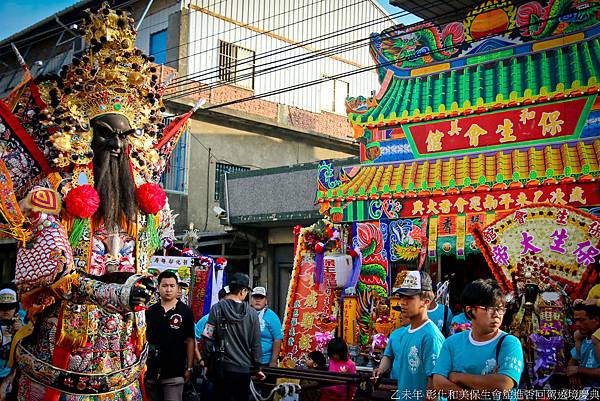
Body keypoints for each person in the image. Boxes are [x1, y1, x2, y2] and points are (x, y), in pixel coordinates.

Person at [433, 279, 524, 399]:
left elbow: (503, 384)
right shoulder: (452, 343)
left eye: (500, 309)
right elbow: (438, 383)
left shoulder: (509, 343)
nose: (497, 314)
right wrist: (472, 394)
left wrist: (457, 377)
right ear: (469, 310)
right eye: (489, 308)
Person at [372, 270, 443, 401]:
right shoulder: (405, 333)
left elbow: (434, 386)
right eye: (401, 297)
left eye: (409, 297)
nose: (402, 302)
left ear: (426, 301)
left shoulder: (431, 337)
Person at [202, 272, 263, 401]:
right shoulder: (252, 314)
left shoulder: (216, 308)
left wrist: (207, 363)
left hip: (222, 369)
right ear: (242, 291)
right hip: (244, 370)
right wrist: (257, 367)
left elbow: (208, 338)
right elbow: (256, 343)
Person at [145, 271, 196, 401]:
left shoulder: (185, 311)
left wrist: (189, 368)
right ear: (158, 287)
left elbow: (190, 340)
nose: (168, 289)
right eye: (165, 285)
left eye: (172, 286)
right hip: (150, 371)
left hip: (175, 372)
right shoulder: (150, 311)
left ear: (177, 288)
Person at [567, 303, 600, 389]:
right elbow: (573, 360)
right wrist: (572, 372)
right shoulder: (583, 339)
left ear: (596, 320)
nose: (577, 324)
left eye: (581, 320)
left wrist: (578, 370)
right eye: (576, 321)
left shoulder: (597, 340)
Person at [250, 286, 284, 367]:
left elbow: (277, 339)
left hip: (265, 361)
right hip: (247, 360)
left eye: (261, 298)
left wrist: (273, 361)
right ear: (251, 299)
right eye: (255, 297)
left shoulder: (271, 316)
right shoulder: (245, 313)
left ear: (265, 300)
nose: (258, 300)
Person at [0, 288, 23, 399]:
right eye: (2, 308)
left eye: (10, 308)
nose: (6, 311)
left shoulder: (21, 324)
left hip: (11, 374)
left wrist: (21, 332)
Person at [377, 307, 410, 380]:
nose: (399, 316)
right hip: (394, 382)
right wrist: (380, 370)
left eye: (403, 312)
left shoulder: (425, 334)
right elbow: (388, 356)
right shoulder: (395, 334)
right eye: (400, 313)